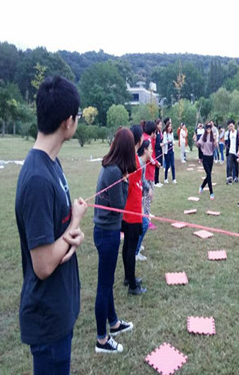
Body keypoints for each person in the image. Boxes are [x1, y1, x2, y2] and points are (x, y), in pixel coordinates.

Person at [15, 76, 88, 374]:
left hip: (60, 308)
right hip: (47, 318)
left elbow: (59, 231)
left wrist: (73, 233)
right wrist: (76, 221)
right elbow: (43, 265)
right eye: (78, 115)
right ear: (68, 121)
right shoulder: (37, 179)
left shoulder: (52, 164)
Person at [93, 127, 136, 353]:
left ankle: (114, 323)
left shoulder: (112, 167)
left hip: (107, 230)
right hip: (106, 232)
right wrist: (126, 182)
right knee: (104, 285)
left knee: (107, 281)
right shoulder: (113, 171)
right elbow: (119, 205)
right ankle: (102, 339)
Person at [122, 125, 147, 295]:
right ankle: (132, 285)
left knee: (128, 245)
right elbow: (130, 185)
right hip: (132, 211)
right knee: (131, 247)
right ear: (138, 140)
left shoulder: (130, 157)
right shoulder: (132, 160)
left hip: (132, 208)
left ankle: (128, 277)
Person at [136, 138, 153, 261]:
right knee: (144, 223)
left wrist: (148, 188)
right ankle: (135, 252)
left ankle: (137, 245)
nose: (152, 150)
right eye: (151, 148)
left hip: (139, 198)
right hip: (135, 200)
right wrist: (148, 188)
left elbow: (142, 179)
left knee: (144, 223)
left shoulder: (143, 163)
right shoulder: (140, 163)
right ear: (145, 150)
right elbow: (139, 180)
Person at [197, 122, 217, 199]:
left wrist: (215, 140)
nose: (208, 129)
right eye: (207, 128)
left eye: (210, 128)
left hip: (210, 158)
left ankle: (202, 186)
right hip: (205, 157)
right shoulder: (203, 136)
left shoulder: (212, 136)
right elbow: (199, 144)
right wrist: (196, 141)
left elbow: (215, 146)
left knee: (208, 175)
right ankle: (211, 192)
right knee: (209, 175)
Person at [225, 119, 239, 184]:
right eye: (229, 126)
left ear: (234, 125)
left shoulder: (237, 133)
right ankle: (230, 178)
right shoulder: (229, 133)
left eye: (231, 126)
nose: (231, 127)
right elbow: (228, 142)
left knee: (236, 165)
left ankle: (236, 177)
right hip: (231, 151)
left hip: (236, 151)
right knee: (230, 165)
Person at [154, 119, 163, 187]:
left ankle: (157, 181)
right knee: (156, 167)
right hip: (156, 151)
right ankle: (155, 182)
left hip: (160, 151)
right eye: (160, 125)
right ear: (157, 125)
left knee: (159, 166)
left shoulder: (159, 133)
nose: (161, 126)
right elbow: (154, 144)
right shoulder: (155, 133)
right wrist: (159, 145)